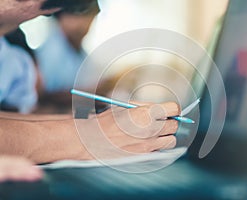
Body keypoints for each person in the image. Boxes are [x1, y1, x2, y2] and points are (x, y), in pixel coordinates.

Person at [0, 0, 179, 182]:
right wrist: (92, 135)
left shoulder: (13, 50)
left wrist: (101, 122)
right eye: (80, 13)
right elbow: (44, 97)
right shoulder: (44, 51)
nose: (86, 25)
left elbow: (11, 114)